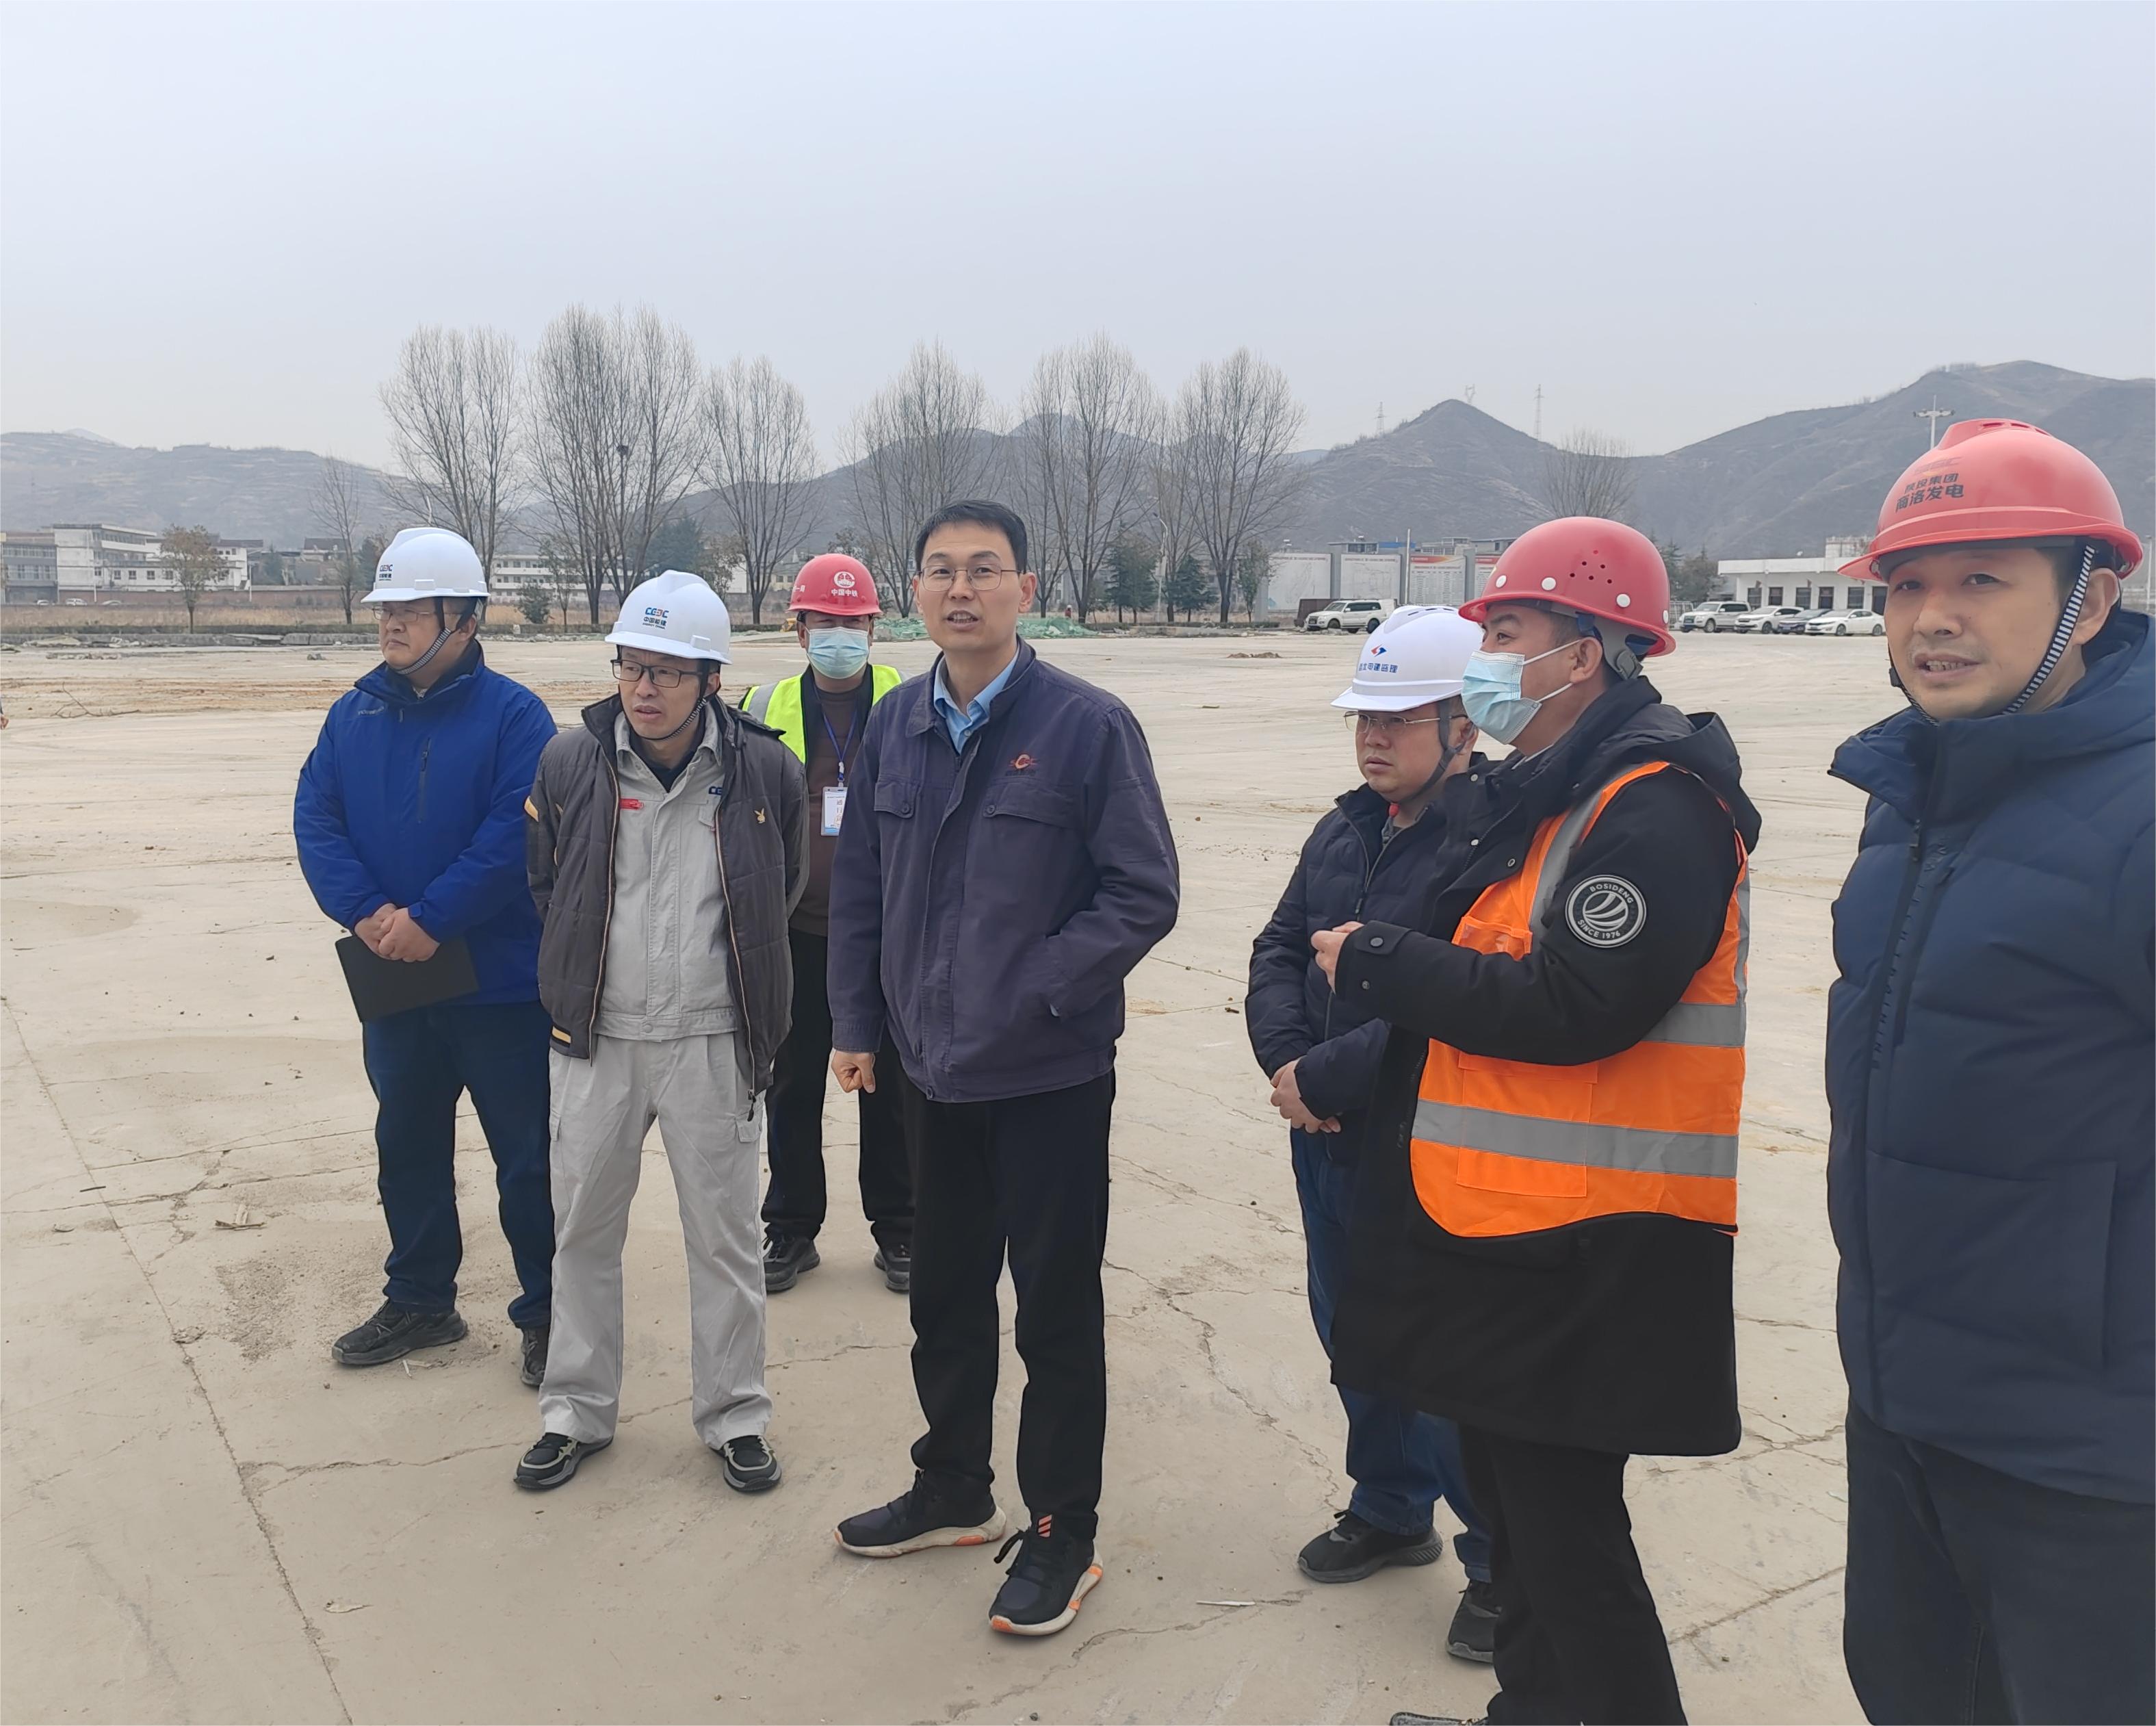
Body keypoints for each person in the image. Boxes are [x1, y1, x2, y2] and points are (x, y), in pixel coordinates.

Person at [1316, 518, 1760, 1726]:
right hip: (1505, 1231)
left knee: (1569, 1546)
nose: (1486, 662)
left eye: (1506, 632)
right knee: (1516, 1526)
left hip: (1590, 1245)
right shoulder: (1549, 793)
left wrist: (1384, 961)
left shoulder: (1657, 806)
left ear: (1590, 649)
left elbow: (1579, 1003)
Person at [1824, 420, 2152, 1725]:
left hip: (2087, 1462)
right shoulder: (1909, 796)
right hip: (1902, 1403)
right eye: (1906, 585)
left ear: (2091, 600)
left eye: (1980, 579)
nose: (1933, 618)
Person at [825, 500, 1180, 1637]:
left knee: (1054, 1309)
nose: (960, 588)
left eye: (984, 569)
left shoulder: (1086, 726)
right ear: (915, 592)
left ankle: (1062, 1528)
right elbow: (860, 887)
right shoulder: (895, 721)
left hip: (1046, 1075)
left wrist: (1035, 986)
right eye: (940, 570)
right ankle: (952, 1484)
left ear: (1026, 589)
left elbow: (1142, 891)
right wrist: (856, 1021)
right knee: (942, 1292)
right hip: (927, 1073)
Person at [515, 570, 807, 1494]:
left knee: (724, 1240)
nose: (644, 688)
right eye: (631, 666)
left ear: (712, 678)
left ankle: (735, 1414)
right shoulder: (571, 762)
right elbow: (547, 884)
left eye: (668, 671)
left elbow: (781, 886)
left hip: (713, 1039)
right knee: (581, 1233)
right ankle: (574, 1411)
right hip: (597, 1036)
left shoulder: (763, 771)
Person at [1245, 606, 1499, 1662]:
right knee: (1351, 1329)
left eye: (1398, 719)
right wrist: (1285, 1064)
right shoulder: (1343, 828)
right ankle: (1390, 1506)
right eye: (1364, 717)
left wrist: (1325, 1074)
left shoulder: (1487, 844)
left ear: (1462, 727)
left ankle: (1500, 1562)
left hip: (1422, 1135)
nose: (1372, 737)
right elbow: (1276, 946)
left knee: (1443, 1355)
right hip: (1323, 1131)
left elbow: (1449, 1002)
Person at [294, 528, 558, 1382]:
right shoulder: (353, 714)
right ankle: (420, 1298)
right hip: (395, 977)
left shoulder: (515, 717)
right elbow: (317, 817)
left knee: (528, 1157)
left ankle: (550, 1310)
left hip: (500, 983)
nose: (391, 623)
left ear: (465, 619)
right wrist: (367, 912)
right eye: (386, 608)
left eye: (411, 609)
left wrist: (435, 917)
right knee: (406, 1144)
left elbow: (514, 833)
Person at [738, 554, 912, 1296]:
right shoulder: (762, 702)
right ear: (799, 628)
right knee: (792, 1083)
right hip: (797, 932)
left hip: (888, 936)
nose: (839, 634)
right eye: (823, 621)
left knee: (892, 1086)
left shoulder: (912, 701)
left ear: (873, 627)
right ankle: (791, 1226)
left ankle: (901, 1227)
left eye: (852, 621)